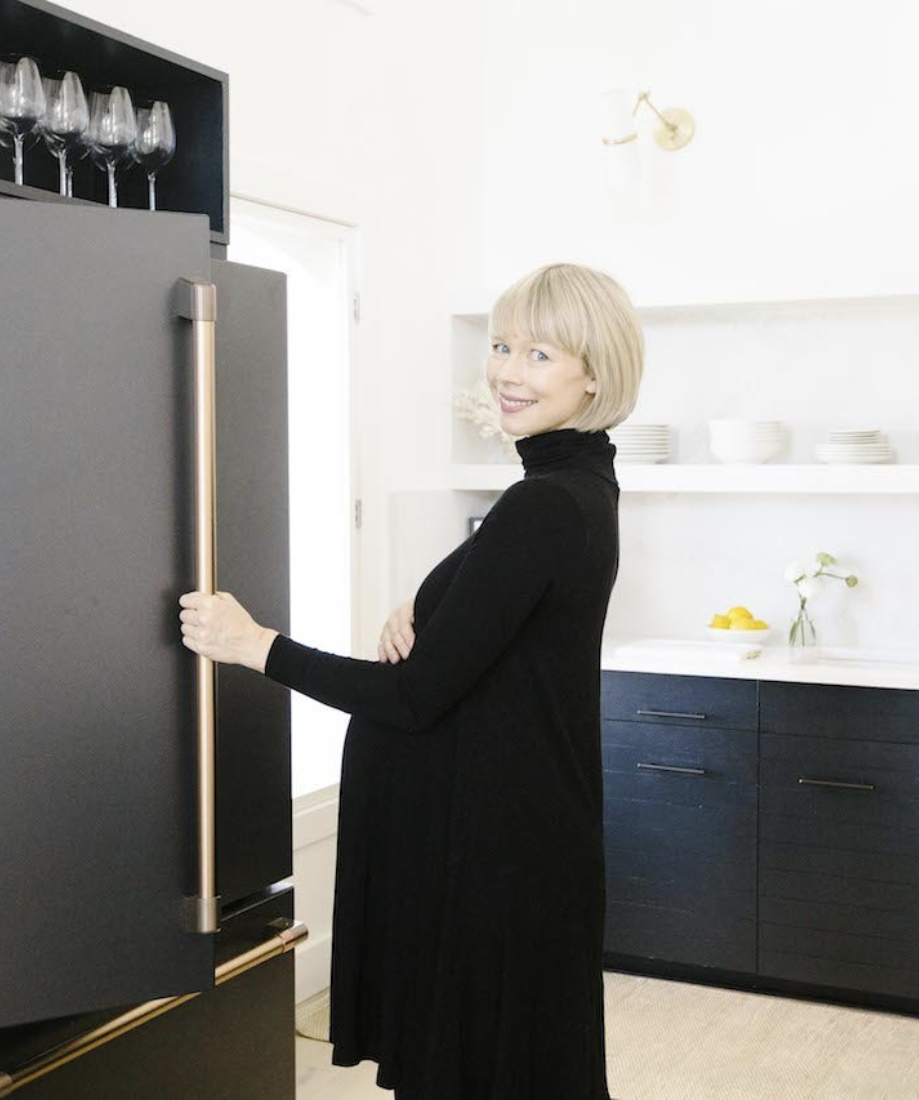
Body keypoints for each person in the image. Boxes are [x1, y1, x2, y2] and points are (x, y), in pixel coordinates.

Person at [179, 261, 644, 1099]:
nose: (506, 371)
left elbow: (411, 696)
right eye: (502, 346)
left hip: (494, 852)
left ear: (595, 375)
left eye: (540, 355)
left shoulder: (542, 504)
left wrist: (255, 645)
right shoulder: (577, 485)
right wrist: (433, 599)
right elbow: (506, 612)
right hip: (520, 838)